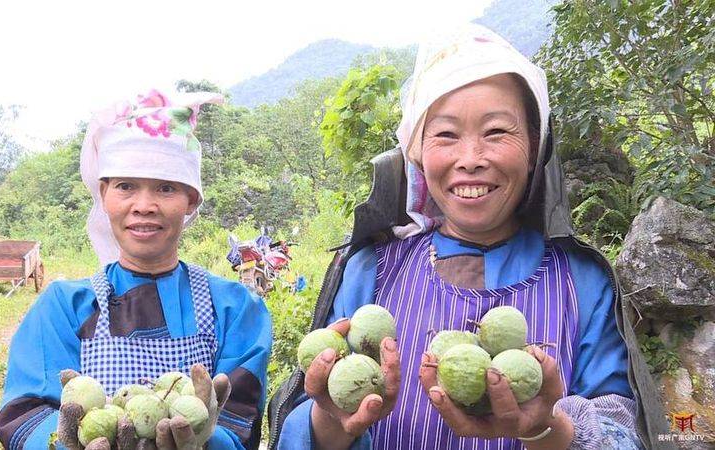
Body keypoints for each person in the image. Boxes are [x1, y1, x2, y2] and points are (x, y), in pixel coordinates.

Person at [272, 24, 665, 450]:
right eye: (445, 134)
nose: (471, 159)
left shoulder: (583, 283)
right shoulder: (371, 271)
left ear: (535, 146)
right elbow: (310, 429)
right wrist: (332, 420)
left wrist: (547, 428)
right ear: (417, 152)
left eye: (496, 132)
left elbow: (622, 433)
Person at [0, 89, 272, 450]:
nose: (144, 205)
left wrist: (206, 437)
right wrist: (66, 441)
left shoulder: (236, 310)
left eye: (166, 188)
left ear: (191, 200)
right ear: (104, 194)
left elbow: (240, 426)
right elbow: (25, 415)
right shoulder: (63, 307)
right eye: (126, 186)